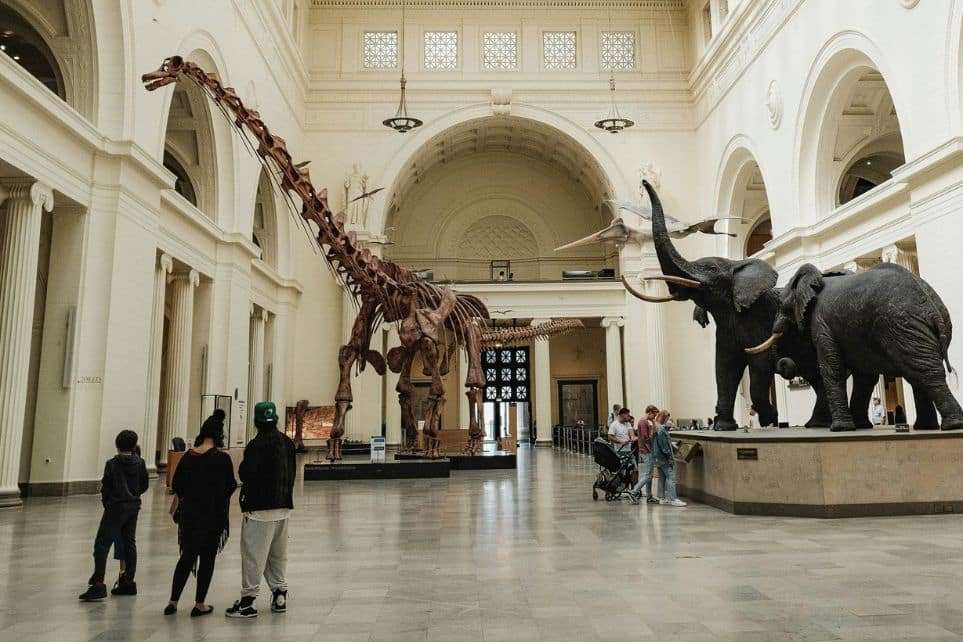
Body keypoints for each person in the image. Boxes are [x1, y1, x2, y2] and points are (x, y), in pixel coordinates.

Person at [226, 401, 297, 619]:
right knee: (278, 554)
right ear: (275, 419)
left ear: (256, 421)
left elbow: (246, 473)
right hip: (283, 506)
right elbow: (293, 472)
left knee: (253, 555)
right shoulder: (287, 442)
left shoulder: (256, 445)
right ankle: (279, 594)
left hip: (259, 509)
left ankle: (248, 602)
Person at [165, 410, 237, 617]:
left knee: (186, 556)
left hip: (190, 515)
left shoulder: (188, 456)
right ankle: (199, 603)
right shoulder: (221, 459)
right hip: (213, 516)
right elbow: (230, 486)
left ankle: (173, 601)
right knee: (207, 558)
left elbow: (177, 484)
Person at [78, 430, 149, 601]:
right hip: (133, 506)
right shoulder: (140, 463)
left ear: (117, 445)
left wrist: (108, 502)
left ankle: (98, 583)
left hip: (116, 507)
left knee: (102, 544)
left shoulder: (112, 464)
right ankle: (128, 581)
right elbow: (144, 485)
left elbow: (106, 486)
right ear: (134, 446)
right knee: (129, 543)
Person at [651, 410, 686, 507]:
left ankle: (661, 497)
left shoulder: (655, 427)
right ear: (664, 418)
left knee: (662, 477)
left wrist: (671, 444)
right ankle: (673, 499)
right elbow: (663, 446)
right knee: (671, 477)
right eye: (667, 419)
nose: (667, 421)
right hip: (663, 457)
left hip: (657, 457)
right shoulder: (661, 429)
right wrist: (669, 455)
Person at [630, 405, 660, 504]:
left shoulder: (645, 421)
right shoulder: (643, 421)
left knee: (649, 474)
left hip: (646, 450)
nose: (654, 417)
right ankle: (634, 492)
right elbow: (644, 437)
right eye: (654, 415)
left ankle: (649, 496)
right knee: (648, 475)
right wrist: (650, 448)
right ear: (650, 412)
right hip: (646, 451)